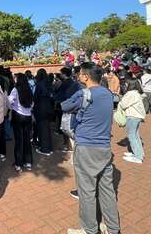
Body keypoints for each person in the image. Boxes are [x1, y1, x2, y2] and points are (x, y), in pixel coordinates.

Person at [62, 63, 120, 234]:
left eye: (80, 74)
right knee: (107, 190)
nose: (79, 77)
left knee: (86, 191)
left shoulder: (84, 93)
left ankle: (89, 229)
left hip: (86, 146)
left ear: (86, 76)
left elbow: (65, 106)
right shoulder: (108, 93)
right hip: (104, 146)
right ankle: (113, 228)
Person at [8, 73, 34, 172]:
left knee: (19, 140)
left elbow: (9, 101)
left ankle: (18, 164)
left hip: (18, 116)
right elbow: (32, 103)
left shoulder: (15, 90)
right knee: (27, 139)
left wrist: (12, 108)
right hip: (28, 117)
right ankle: (28, 162)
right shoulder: (29, 89)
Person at [118, 78, 146, 164]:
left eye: (126, 83)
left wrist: (121, 97)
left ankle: (138, 157)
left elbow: (123, 104)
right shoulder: (137, 93)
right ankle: (139, 153)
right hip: (137, 116)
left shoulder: (131, 93)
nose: (125, 85)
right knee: (136, 135)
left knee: (131, 136)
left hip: (132, 116)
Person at [33, 69, 54, 156]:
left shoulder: (39, 84)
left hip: (41, 109)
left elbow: (36, 97)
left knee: (42, 129)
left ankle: (45, 149)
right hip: (48, 108)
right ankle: (49, 147)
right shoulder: (48, 83)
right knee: (47, 128)